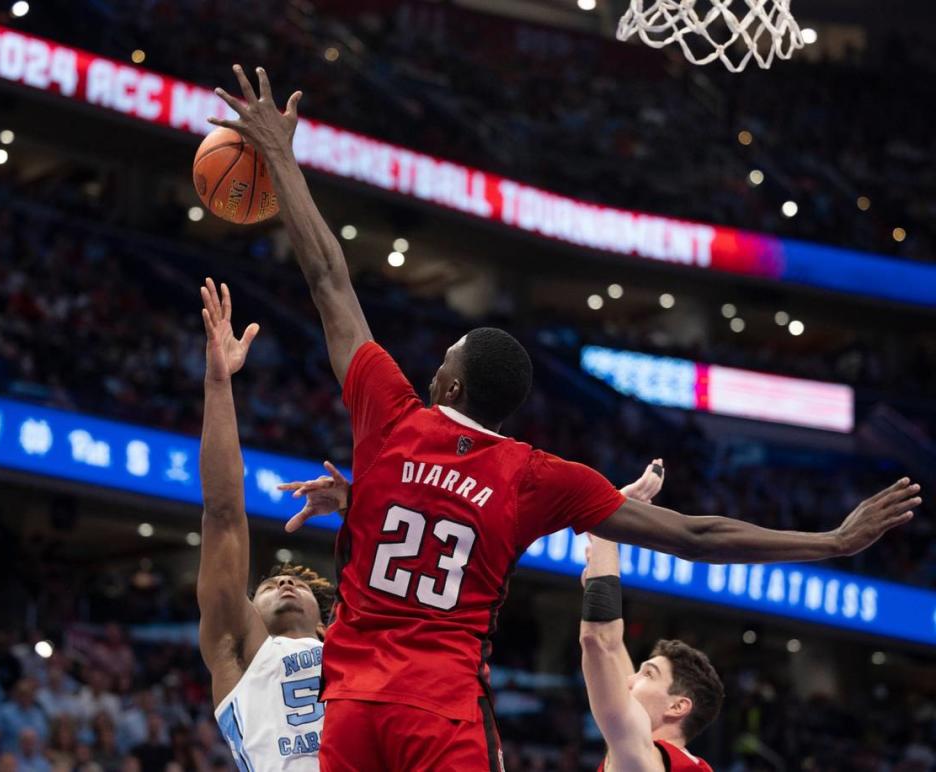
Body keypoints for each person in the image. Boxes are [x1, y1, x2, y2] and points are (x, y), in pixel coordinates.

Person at [210, 65, 922, 771]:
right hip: (441, 708)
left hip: (355, 708)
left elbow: (329, 277)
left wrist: (280, 155)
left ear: (449, 380)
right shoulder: (533, 475)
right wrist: (829, 541)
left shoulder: (390, 416)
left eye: (444, 359)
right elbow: (697, 535)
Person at [196, 279, 335, 770]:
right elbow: (224, 515)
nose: (283, 580)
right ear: (247, 613)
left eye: (295, 582)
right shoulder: (241, 651)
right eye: (271, 584)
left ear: (325, 623)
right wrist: (218, 385)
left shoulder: (355, 650)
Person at [580, 462, 722, 771]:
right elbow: (613, 649)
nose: (629, 680)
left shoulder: (643, 760)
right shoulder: (678, 763)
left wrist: (607, 523)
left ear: (677, 706)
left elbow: (599, 641)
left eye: (648, 675)